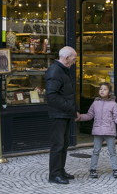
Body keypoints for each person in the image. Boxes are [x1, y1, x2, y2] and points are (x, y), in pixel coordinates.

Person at [76, 83, 117, 179]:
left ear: (109, 93)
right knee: (96, 151)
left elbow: (116, 117)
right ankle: (92, 169)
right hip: (98, 131)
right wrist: (79, 117)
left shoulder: (113, 104)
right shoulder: (95, 103)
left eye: (105, 89)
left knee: (112, 151)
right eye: (100, 89)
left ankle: (115, 169)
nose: (102, 90)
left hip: (109, 131)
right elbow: (89, 115)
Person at [45, 46, 79, 184]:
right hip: (59, 114)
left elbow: (68, 93)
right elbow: (52, 96)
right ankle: (54, 174)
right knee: (57, 145)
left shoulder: (63, 70)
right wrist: (70, 108)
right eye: (74, 58)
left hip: (64, 113)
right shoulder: (55, 71)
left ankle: (60, 170)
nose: (75, 61)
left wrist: (74, 109)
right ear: (66, 57)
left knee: (63, 144)